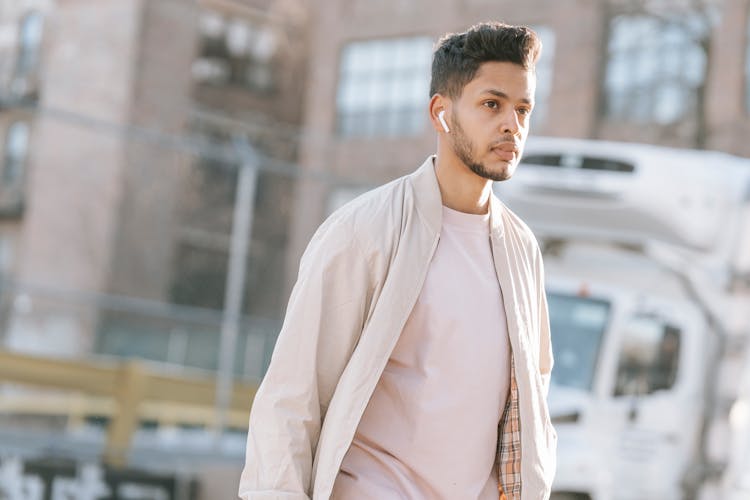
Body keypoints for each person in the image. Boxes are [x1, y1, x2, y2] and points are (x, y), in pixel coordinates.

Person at [239, 21, 556, 500]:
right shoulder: (364, 231)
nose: (512, 124)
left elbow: (532, 403)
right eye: (492, 104)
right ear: (442, 113)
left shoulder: (521, 250)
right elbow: (292, 396)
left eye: (523, 108)